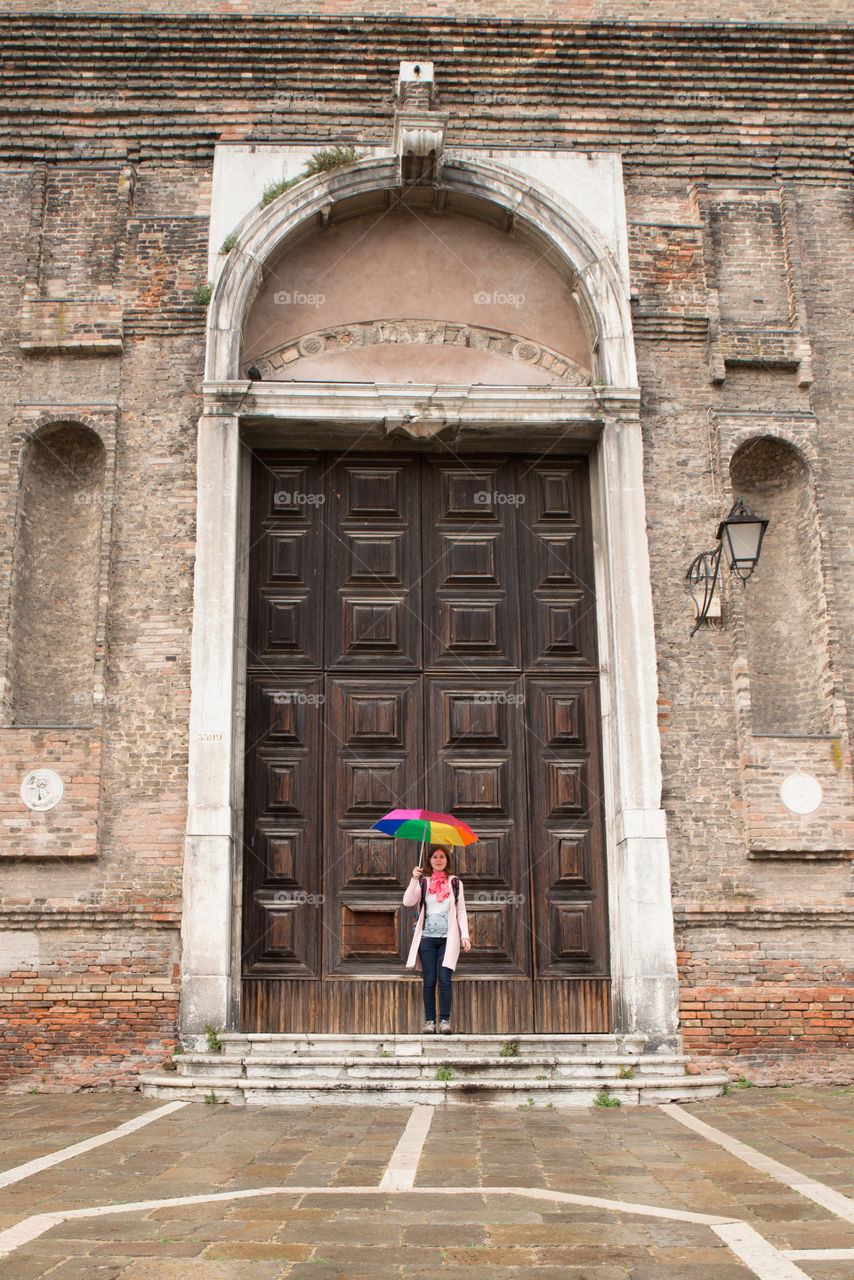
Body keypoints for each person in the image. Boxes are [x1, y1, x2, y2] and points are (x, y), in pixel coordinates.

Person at [404, 844, 471, 1034]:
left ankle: (444, 1021)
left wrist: (465, 934)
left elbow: (461, 910)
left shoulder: (455, 883)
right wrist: (413, 879)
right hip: (426, 940)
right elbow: (408, 901)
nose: (438, 860)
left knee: (444, 979)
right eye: (435, 857)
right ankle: (429, 1021)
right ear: (429, 861)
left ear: (447, 861)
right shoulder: (423, 882)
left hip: (448, 940)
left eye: (442, 857)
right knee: (429, 980)